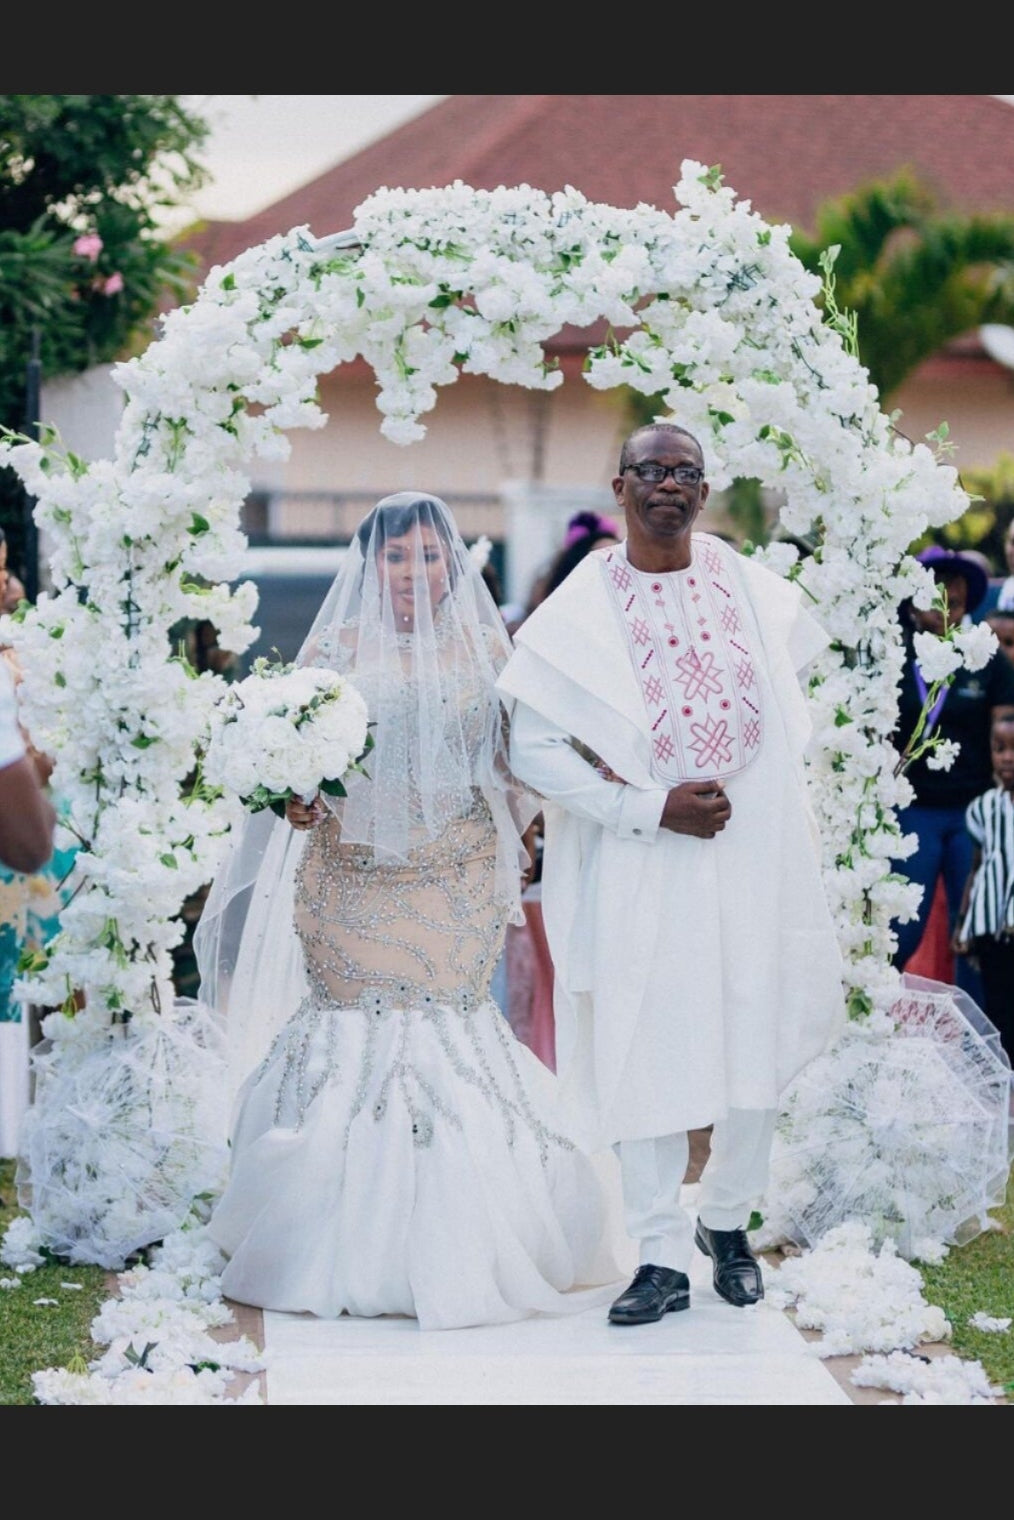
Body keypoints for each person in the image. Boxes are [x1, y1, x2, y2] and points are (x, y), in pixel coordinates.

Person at [198, 491, 623, 1329]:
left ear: (452, 564)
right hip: (348, 873)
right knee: (349, 1024)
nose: (414, 573)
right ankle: (320, 1232)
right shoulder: (331, 652)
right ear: (370, 564)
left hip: (454, 873)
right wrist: (295, 800)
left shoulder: (491, 651)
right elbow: (290, 766)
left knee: (446, 1026)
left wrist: (519, 840)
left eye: (430, 557)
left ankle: (463, 1238)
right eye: (397, 557)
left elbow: (517, 762)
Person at [496, 422, 846, 1326]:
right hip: (639, 862)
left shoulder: (747, 583)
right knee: (643, 1038)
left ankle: (725, 1220)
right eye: (653, 470)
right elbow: (533, 746)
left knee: (751, 1032)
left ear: (702, 489)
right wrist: (647, 809)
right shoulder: (582, 603)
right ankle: (657, 1250)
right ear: (620, 487)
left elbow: (796, 705)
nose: (670, 486)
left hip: (750, 858)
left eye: (687, 472)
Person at [891, 545, 1014, 1004]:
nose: (947, 594)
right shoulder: (893, 655)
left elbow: (1007, 730)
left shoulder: (985, 655)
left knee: (975, 937)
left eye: (956, 590)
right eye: (936, 585)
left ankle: (980, 1046)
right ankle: (874, 1030)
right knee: (901, 932)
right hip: (913, 813)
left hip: (972, 815)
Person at [952, 711, 1014, 1061]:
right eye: (999, 748)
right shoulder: (984, 808)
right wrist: (962, 923)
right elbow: (976, 867)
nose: (1007, 757)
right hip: (991, 923)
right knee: (998, 1002)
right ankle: (1006, 1082)